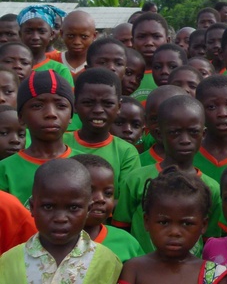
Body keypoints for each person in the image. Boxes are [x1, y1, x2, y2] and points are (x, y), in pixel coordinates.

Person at [113, 95, 224, 254]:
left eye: (193, 132)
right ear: (159, 134)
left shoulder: (211, 187)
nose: (185, 140)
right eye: (175, 132)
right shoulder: (137, 179)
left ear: (203, 134)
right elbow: (121, 229)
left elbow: (209, 240)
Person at [0, 159, 122, 282]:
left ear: (88, 209)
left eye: (73, 208)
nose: (60, 219)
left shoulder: (107, 261)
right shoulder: (9, 261)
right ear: (32, 207)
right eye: (48, 207)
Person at [118, 170, 227, 284]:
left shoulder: (213, 275)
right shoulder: (134, 269)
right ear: (147, 222)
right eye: (164, 222)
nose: (174, 232)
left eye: (187, 223)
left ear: (203, 225)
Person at [0, 70, 76, 205]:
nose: (50, 114)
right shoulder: (4, 170)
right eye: (37, 106)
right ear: (21, 117)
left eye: (61, 106)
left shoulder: (84, 164)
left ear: (70, 115)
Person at [64, 68, 140, 195]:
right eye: (88, 103)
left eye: (107, 103)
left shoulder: (126, 152)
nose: (98, 110)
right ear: (75, 105)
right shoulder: (61, 143)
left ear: (119, 107)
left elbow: (126, 199)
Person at [70, 154, 142, 261]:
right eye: (90, 191)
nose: (100, 199)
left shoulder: (126, 242)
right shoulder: (49, 244)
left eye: (108, 193)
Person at [17, 5, 74, 86]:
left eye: (41, 31)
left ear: (51, 34)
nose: (35, 37)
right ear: (20, 34)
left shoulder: (60, 70)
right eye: (29, 31)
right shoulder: (12, 67)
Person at [48, 10, 98, 79]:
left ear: (94, 36)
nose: (77, 42)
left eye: (84, 37)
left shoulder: (99, 64)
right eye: (71, 36)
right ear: (62, 34)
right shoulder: (49, 60)